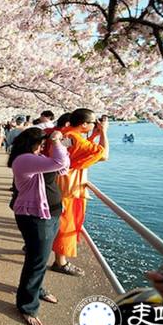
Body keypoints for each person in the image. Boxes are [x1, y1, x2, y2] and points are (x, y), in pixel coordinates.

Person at [8, 128, 70, 325]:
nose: (45, 147)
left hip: (49, 214)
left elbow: (63, 167)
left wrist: (57, 146)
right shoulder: (24, 159)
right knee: (37, 260)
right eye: (42, 144)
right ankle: (27, 306)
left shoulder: (38, 158)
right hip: (35, 218)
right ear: (31, 143)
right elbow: (60, 162)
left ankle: (37, 289)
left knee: (40, 259)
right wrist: (57, 142)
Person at [52, 109, 109, 276]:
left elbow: (78, 150)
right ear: (84, 124)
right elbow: (103, 154)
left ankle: (58, 258)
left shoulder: (65, 133)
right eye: (92, 124)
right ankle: (60, 262)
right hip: (69, 188)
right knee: (66, 224)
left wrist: (94, 136)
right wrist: (104, 132)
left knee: (61, 223)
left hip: (58, 184)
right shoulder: (75, 138)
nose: (94, 126)